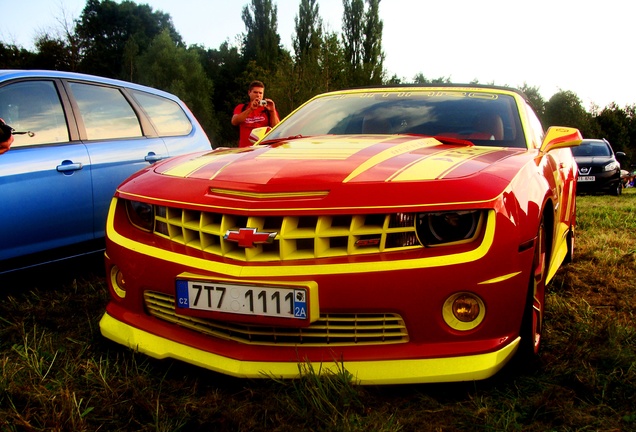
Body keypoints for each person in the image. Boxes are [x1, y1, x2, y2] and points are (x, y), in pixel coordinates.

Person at [231, 80, 280, 147]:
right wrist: (250, 109)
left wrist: (272, 111)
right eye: (255, 92)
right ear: (249, 93)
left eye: (260, 93)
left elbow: (277, 128)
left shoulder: (267, 109)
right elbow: (234, 121)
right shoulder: (241, 107)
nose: (258, 95)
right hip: (245, 149)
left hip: (262, 149)